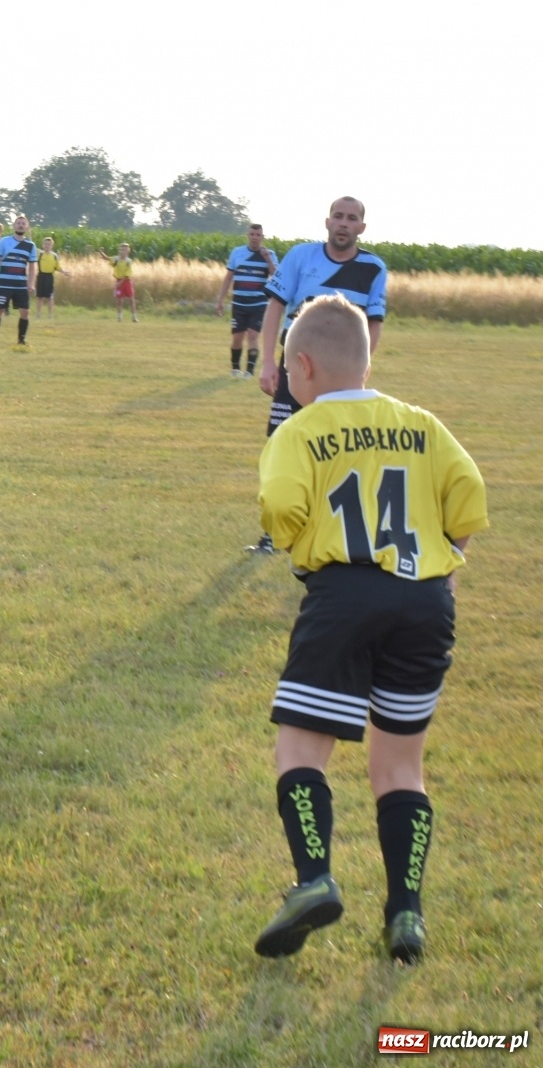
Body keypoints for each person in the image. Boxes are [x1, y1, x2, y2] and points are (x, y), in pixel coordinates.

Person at [250, 294, 487, 964]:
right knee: (401, 765)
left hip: (343, 594)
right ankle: (405, 915)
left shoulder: (295, 431)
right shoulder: (420, 424)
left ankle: (313, 879)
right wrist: (448, 560)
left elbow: (280, 507)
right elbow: (468, 495)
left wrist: (302, 544)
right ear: (366, 357)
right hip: (426, 602)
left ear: (303, 367)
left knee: (301, 748)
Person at [247, 196, 388, 553]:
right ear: (327, 222)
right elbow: (275, 307)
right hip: (296, 366)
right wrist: (267, 362)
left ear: (361, 227)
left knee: (341, 448)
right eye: (338, 216)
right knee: (282, 442)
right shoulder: (299, 257)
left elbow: (374, 324)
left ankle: (337, 527)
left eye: (351, 218)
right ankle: (274, 532)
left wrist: (362, 366)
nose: (343, 223)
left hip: (344, 374)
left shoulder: (374, 268)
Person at [215, 223, 279, 377]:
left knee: (252, 335)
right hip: (239, 303)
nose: (255, 238)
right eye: (252, 234)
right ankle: (235, 368)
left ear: (262, 237)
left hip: (259, 303)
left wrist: (268, 260)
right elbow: (228, 277)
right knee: (238, 337)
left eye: (258, 235)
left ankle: (249, 371)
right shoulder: (237, 253)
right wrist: (220, 299)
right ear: (248, 236)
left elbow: (277, 276)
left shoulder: (269, 254)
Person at [0, 215, 37, 345]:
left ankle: (21, 340)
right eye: (18, 223)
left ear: (27, 227)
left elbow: (32, 267)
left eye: (23, 223)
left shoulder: (30, 246)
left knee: (25, 312)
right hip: (4, 283)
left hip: (20, 285)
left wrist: (31, 284)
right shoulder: (4, 242)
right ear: (14, 226)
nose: (20, 225)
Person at [101, 243, 137, 321]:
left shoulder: (128, 261)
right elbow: (106, 258)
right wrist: (101, 252)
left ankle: (134, 317)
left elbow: (127, 275)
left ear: (127, 252)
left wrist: (119, 284)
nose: (121, 251)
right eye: (120, 249)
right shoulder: (116, 259)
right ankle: (119, 317)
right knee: (119, 300)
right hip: (118, 280)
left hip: (126, 281)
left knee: (131, 299)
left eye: (123, 250)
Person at [34, 237, 61, 319]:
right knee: (40, 297)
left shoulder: (54, 256)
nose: (47, 246)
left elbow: (57, 267)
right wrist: (29, 234)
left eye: (49, 244)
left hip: (50, 277)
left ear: (52, 246)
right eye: (45, 244)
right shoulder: (40, 254)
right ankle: (38, 314)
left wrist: (64, 272)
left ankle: (50, 315)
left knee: (50, 297)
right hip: (41, 276)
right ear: (43, 245)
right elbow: (32, 245)